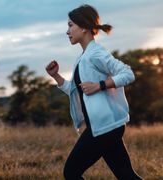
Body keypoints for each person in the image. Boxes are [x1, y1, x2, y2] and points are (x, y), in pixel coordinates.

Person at [45, 4, 142, 180]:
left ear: (83, 27)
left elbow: (128, 74)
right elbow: (78, 92)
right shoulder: (83, 57)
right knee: (126, 175)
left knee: (71, 172)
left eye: (70, 25)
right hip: (105, 127)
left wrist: (100, 85)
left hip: (105, 127)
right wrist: (56, 76)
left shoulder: (96, 54)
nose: (67, 31)